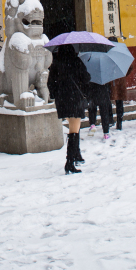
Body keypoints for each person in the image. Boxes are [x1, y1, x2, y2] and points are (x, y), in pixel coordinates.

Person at [48, 42, 90, 174]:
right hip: (75, 98)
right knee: (74, 130)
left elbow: (50, 83)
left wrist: (56, 94)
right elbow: (86, 78)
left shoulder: (56, 63)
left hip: (62, 100)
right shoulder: (76, 61)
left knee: (73, 128)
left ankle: (75, 156)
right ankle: (69, 162)